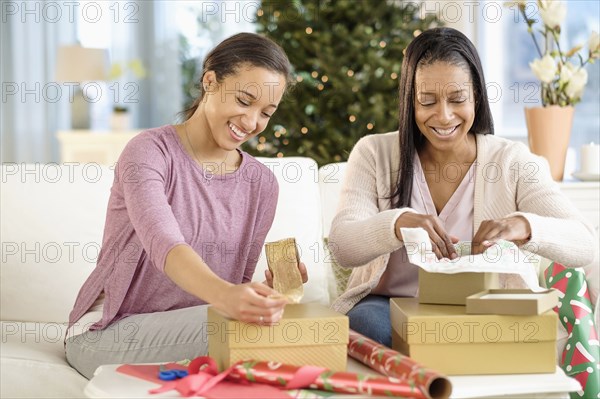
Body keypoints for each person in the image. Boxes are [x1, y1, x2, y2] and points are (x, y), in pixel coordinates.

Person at [329, 27, 597, 347]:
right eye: (427, 101)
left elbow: (585, 244)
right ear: (409, 102)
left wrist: (523, 226)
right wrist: (396, 223)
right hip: (387, 307)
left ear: (477, 98)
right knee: (370, 327)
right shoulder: (373, 153)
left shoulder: (511, 161)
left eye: (457, 99)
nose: (443, 116)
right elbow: (342, 246)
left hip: (483, 306)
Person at [65, 32, 307, 379]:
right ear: (210, 81)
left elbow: (230, 286)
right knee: (237, 331)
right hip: (108, 332)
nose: (252, 122)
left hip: (196, 330)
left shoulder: (262, 185)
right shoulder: (148, 152)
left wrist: (268, 296)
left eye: (266, 113)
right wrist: (230, 300)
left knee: (273, 330)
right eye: (243, 100)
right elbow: (165, 244)